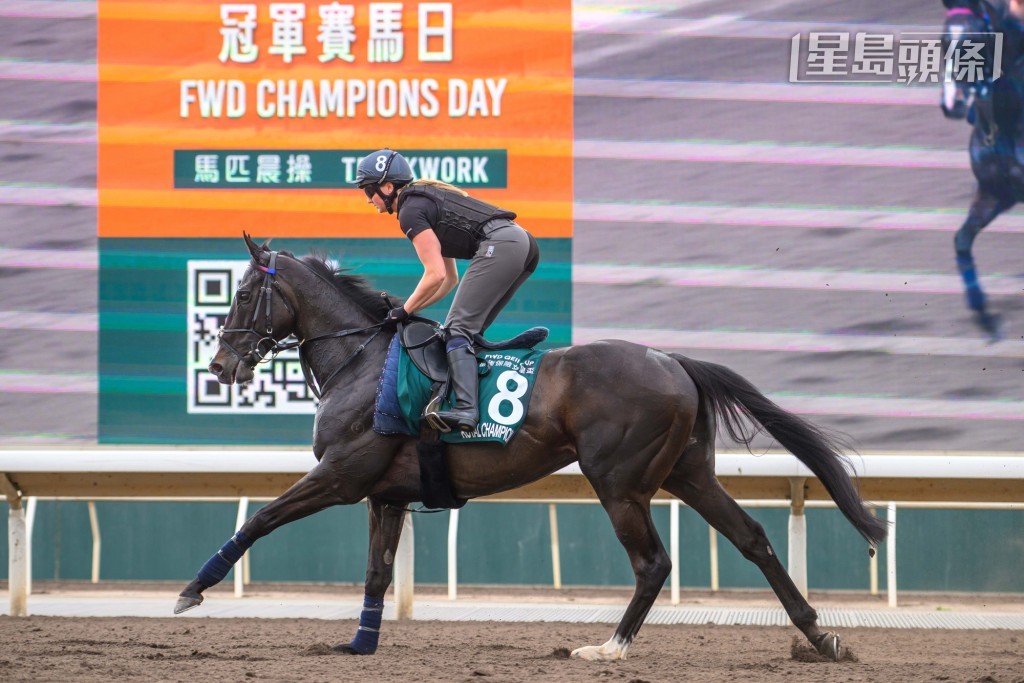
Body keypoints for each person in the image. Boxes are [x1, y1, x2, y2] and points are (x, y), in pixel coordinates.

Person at [353, 149, 539, 432]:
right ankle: (475, 402)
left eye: (369, 189)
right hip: (520, 243)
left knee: (457, 331)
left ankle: (466, 410)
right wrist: (410, 309)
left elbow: (435, 274)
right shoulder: (421, 201)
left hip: (503, 245)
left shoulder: (410, 211)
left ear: (388, 187)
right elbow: (448, 278)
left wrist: (404, 310)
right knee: (464, 333)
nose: (368, 199)